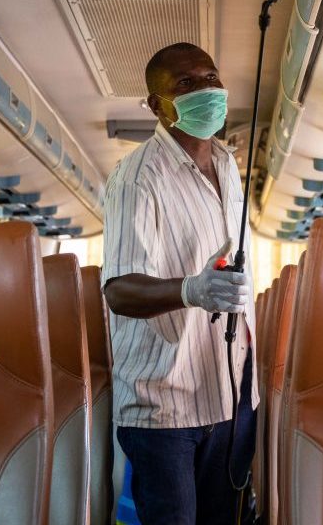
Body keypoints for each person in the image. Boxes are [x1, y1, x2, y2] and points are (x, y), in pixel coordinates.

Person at [102, 42, 257, 525]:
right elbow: (118, 290)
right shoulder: (136, 178)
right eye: (186, 84)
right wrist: (191, 290)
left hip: (232, 394)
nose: (205, 90)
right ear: (157, 105)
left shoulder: (230, 166)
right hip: (164, 405)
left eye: (210, 78)